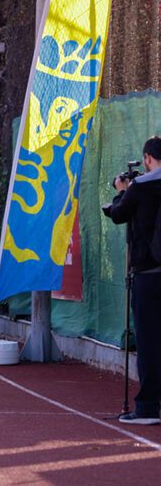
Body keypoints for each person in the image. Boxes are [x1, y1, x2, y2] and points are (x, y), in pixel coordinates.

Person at [105, 136, 161, 425]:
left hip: (148, 275)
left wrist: (121, 191)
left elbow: (118, 214)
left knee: (149, 342)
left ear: (148, 158)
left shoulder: (140, 187)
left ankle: (148, 407)